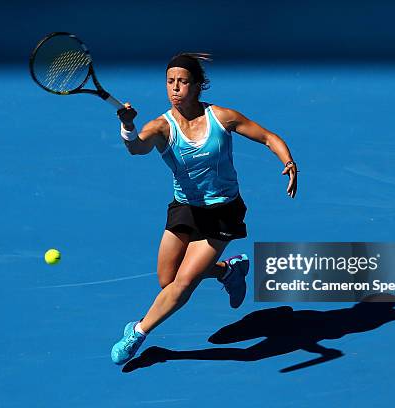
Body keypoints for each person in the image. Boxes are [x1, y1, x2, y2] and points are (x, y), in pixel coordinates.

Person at [110, 53, 298, 365]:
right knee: (166, 280)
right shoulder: (161, 127)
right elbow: (136, 147)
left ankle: (138, 333)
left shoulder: (221, 117)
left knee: (182, 284)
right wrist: (128, 126)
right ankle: (229, 271)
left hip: (222, 212)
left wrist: (288, 162)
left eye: (182, 82)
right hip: (184, 209)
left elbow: (267, 137)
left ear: (198, 86)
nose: (175, 88)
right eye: (170, 82)